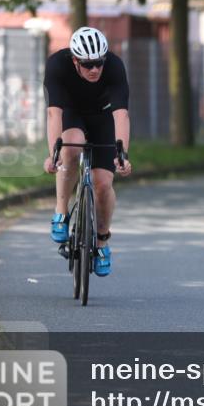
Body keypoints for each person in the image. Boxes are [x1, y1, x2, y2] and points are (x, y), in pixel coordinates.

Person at [42, 27, 132, 276]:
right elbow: (54, 114)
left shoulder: (114, 66)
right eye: (87, 64)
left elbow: (121, 115)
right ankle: (61, 212)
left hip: (103, 117)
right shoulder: (57, 65)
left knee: (102, 183)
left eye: (98, 63)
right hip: (72, 112)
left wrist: (122, 154)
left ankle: (102, 242)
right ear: (75, 60)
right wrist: (53, 154)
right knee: (70, 145)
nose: (94, 69)